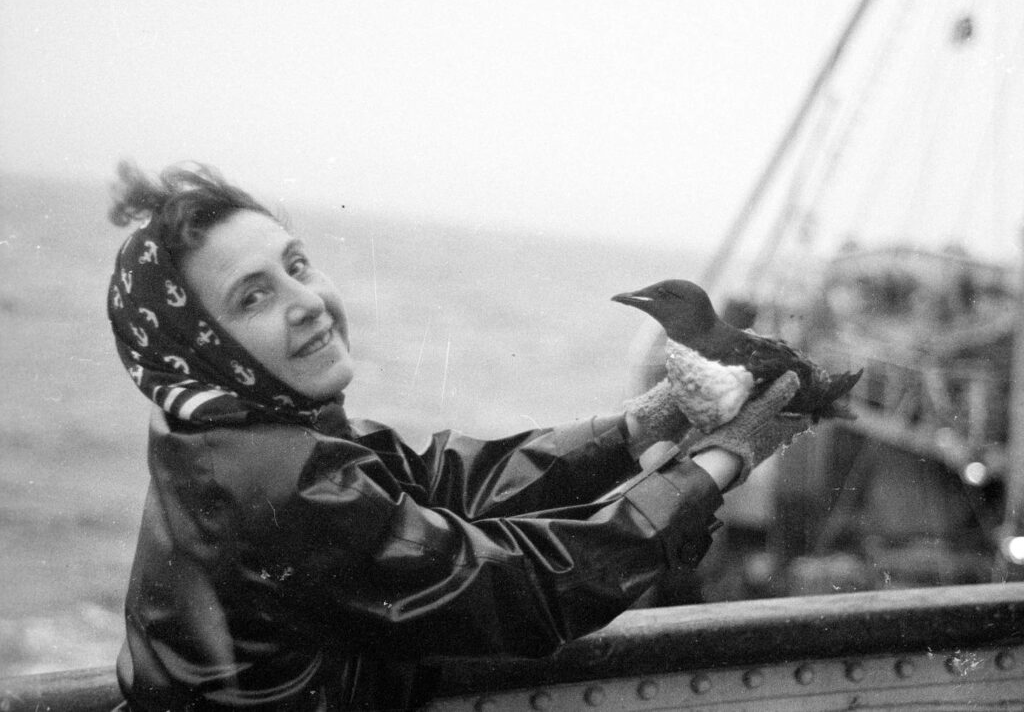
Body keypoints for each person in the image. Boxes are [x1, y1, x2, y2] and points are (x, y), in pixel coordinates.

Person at [106, 161, 810, 711]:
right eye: (253, 296)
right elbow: (516, 587)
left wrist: (638, 425)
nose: (306, 302)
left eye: (296, 266)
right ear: (197, 347)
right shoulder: (273, 481)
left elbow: (434, 486)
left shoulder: (232, 434)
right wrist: (718, 461)